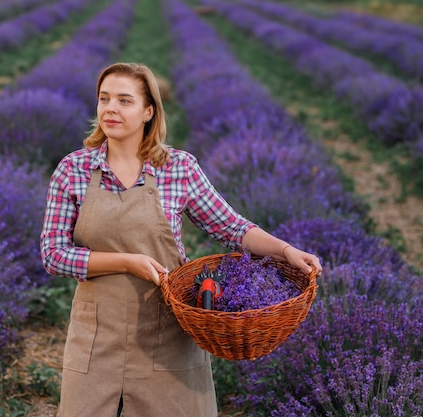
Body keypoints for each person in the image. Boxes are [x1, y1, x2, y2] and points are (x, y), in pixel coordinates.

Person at [40, 62, 322, 417]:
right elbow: (53, 255)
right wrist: (127, 261)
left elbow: (233, 228)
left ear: (148, 112)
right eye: (104, 99)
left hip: (167, 335)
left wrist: (286, 250)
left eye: (124, 101)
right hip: (96, 337)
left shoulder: (178, 169)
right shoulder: (73, 170)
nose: (110, 108)